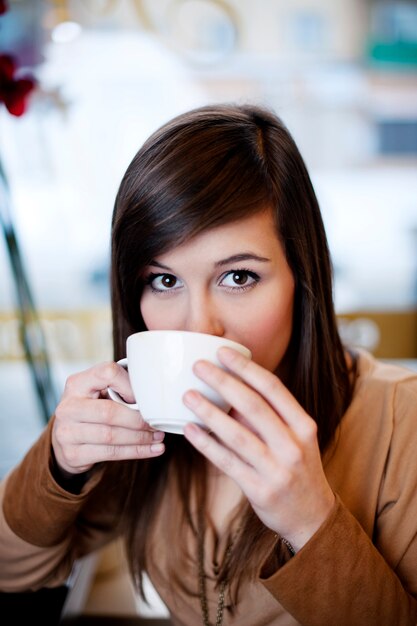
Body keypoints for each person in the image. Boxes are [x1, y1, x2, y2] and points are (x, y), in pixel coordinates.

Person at [0, 103, 416, 626]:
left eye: (238, 277)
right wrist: (58, 464)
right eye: (165, 280)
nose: (197, 327)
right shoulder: (143, 424)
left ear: (301, 277)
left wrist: (312, 521)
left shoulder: (402, 421)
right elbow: (12, 571)